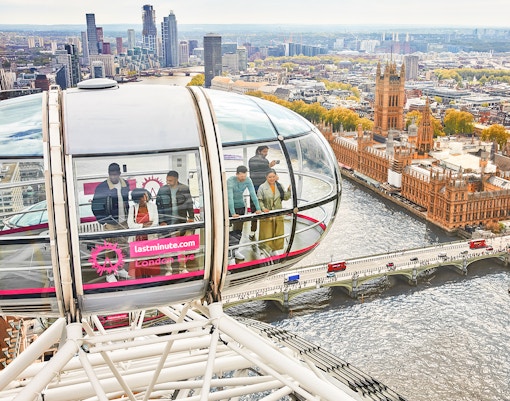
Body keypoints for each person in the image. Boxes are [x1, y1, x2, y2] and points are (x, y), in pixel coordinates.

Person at [227, 165, 262, 260]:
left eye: (244, 176)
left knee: (238, 230)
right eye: (241, 176)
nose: (243, 178)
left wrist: (258, 208)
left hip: (241, 206)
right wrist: (232, 213)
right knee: (226, 230)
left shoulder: (248, 180)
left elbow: (253, 194)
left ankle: (235, 250)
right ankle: (227, 249)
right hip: (228, 207)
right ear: (237, 174)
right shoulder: (230, 180)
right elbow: (229, 197)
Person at [257, 169, 291, 256]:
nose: (271, 179)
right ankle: (264, 249)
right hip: (267, 213)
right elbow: (259, 200)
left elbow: (285, 197)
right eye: (269, 177)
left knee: (277, 231)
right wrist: (263, 208)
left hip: (278, 213)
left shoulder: (279, 186)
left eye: (273, 177)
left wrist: (289, 190)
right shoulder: (262, 187)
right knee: (266, 233)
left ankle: (274, 248)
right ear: (266, 177)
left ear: (276, 177)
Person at [127, 188, 159, 277]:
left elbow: (155, 222)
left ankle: (151, 278)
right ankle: (141, 279)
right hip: (137, 240)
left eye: (145, 195)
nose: (145, 197)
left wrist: (140, 225)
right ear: (138, 198)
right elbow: (130, 224)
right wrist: (143, 226)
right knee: (139, 262)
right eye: (143, 196)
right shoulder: (132, 208)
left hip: (150, 238)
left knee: (150, 261)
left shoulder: (153, 206)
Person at [248, 146, 278, 240]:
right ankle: (266, 233)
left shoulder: (251, 160)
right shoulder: (264, 162)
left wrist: (268, 166)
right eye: (264, 151)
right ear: (259, 151)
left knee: (255, 210)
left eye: (267, 152)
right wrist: (269, 166)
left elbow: (257, 169)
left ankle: (252, 232)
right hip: (263, 189)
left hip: (254, 188)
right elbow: (266, 171)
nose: (266, 153)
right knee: (265, 209)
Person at [91, 162, 130, 229]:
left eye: (115, 175)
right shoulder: (102, 187)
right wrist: (104, 222)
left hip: (125, 222)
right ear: (108, 174)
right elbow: (96, 207)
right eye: (111, 175)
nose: (113, 177)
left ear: (119, 174)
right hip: (110, 224)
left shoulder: (125, 184)